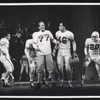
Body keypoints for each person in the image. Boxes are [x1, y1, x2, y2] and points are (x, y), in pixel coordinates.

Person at [32, 21, 59, 89]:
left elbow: (52, 39)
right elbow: (34, 43)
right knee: (40, 68)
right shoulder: (37, 34)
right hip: (41, 53)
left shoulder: (48, 32)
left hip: (48, 52)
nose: (43, 26)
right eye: (41, 25)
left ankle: (53, 83)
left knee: (51, 68)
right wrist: (36, 48)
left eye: (43, 25)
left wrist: (56, 42)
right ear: (38, 27)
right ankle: (39, 83)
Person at [53, 22, 77, 88]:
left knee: (67, 68)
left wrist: (74, 51)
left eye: (60, 26)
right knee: (60, 68)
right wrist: (54, 50)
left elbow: (73, 42)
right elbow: (57, 43)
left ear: (64, 26)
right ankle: (61, 81)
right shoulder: (57, 33)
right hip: (60, 51)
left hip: (67, 51)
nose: (59, 27)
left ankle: (70, 81)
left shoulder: (69, 34)